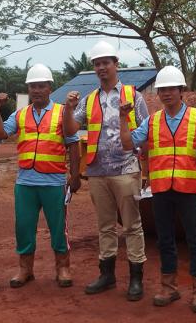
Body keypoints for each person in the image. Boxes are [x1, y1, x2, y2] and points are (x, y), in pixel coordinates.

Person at [119, 66, 196, 313]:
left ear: (181, 91)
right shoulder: (152, 120)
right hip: (161, 189)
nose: (167, 93)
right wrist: (122, 118)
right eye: (162, 89)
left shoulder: (195, 117)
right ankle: (169, 287)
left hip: (189, 188)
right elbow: (128, 143)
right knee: (165, 240)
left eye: (171, 89)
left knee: (195, 240)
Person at [63, 40, 148, 301]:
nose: (101, 67)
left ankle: (136, 279)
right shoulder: (89, 100)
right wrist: (67, 109)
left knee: (132, 226)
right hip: (98, 171)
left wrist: (143, 169)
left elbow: (146, 132)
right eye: (97, 64)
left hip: (126, 169)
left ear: (116, 65)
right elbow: (70, 131)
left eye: (105, 63)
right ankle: (107, 275)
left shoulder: (133, 95)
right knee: (106, 226)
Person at [0, 63, 81, 289]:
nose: (37, 90)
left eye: (41, 86)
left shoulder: (62, 112)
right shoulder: (20, 114)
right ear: (28, 89)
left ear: (50, 87)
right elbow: (0, 133)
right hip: (25, 183)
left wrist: (75, 174)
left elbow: (73, 143)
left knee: (58, 227)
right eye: (33, 86)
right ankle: (25, 269)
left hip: (54, 181)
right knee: (24, 226)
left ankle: (62, 267)